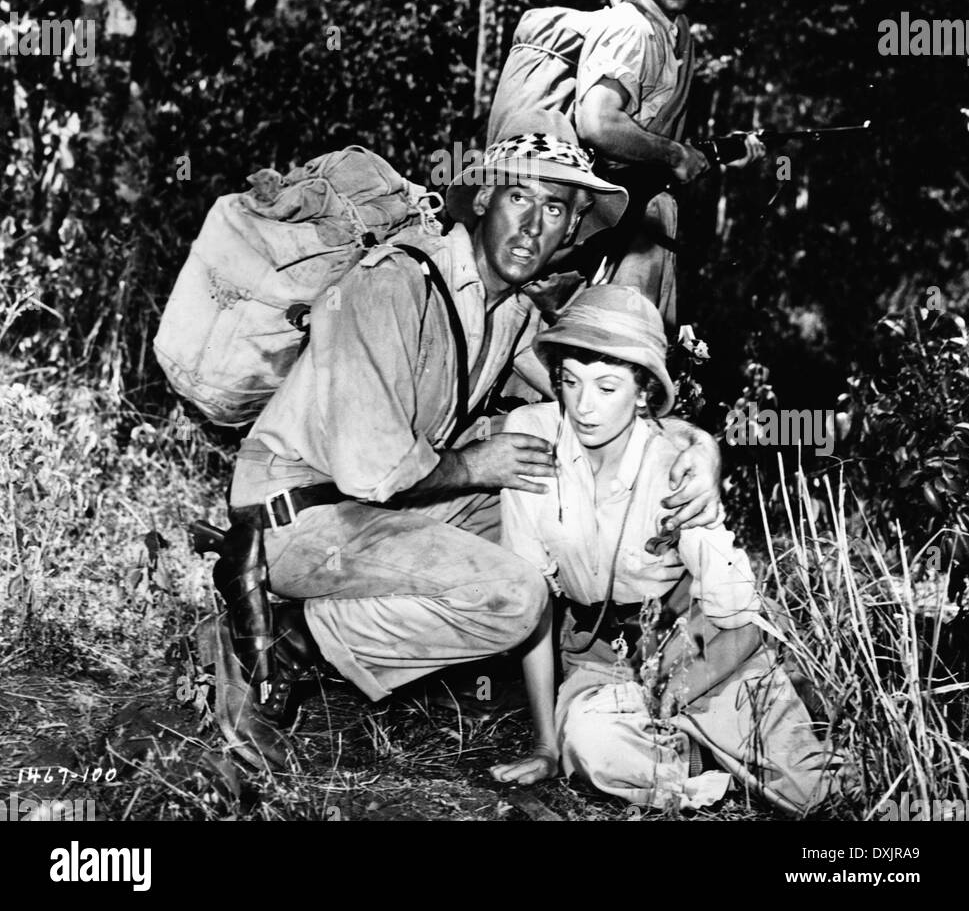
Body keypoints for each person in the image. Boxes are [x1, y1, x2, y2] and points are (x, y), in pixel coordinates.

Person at [203, 112, 723, 767]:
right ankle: (284, 642)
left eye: (556, 208)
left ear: (571, 227)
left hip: (377, 513)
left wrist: (696, 451)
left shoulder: (511, 313)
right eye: (518, 197)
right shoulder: (394, 282)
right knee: (517, 594)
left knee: (556, 485)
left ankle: (546, 685)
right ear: (482, 200)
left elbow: (606, 408)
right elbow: (373, 471)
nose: (534, 225)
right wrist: (481, 461)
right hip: (299, 522)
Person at [490, 285, 847, 813]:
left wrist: (678, 692)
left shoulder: (676, 462)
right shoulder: (530, 440)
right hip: (599, 659)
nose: (583, 407)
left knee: (820, 794)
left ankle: (757, 729)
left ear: (642, 394)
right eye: (570, 381)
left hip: (700, 650)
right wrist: (545, 745)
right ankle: (709, 760)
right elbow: (533, 604)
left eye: (607, 387)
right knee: (593, 750)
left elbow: (736, 614)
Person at [487, 0, 765, 329]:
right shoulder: (632, 29)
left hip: (619, 221)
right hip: (593, 219)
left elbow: (646, 140)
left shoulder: (675, 32)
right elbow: (597, 122)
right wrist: (675, 154)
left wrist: (713, 155)